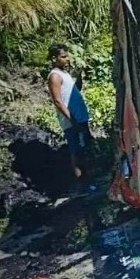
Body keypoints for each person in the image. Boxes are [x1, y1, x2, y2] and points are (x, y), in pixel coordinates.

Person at [47, 43, 95, 194]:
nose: (67, 59)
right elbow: (58, 100)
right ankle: (82, 186)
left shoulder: (64, 74)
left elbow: (72, 92)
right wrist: (72, 120)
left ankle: (87, 182)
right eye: (63, 57)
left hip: (79, 117)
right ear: (54, 58)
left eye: (67, 56)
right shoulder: (54, 76)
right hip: (71, 120)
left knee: (83, 149)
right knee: (76, 152)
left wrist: (79, 77)